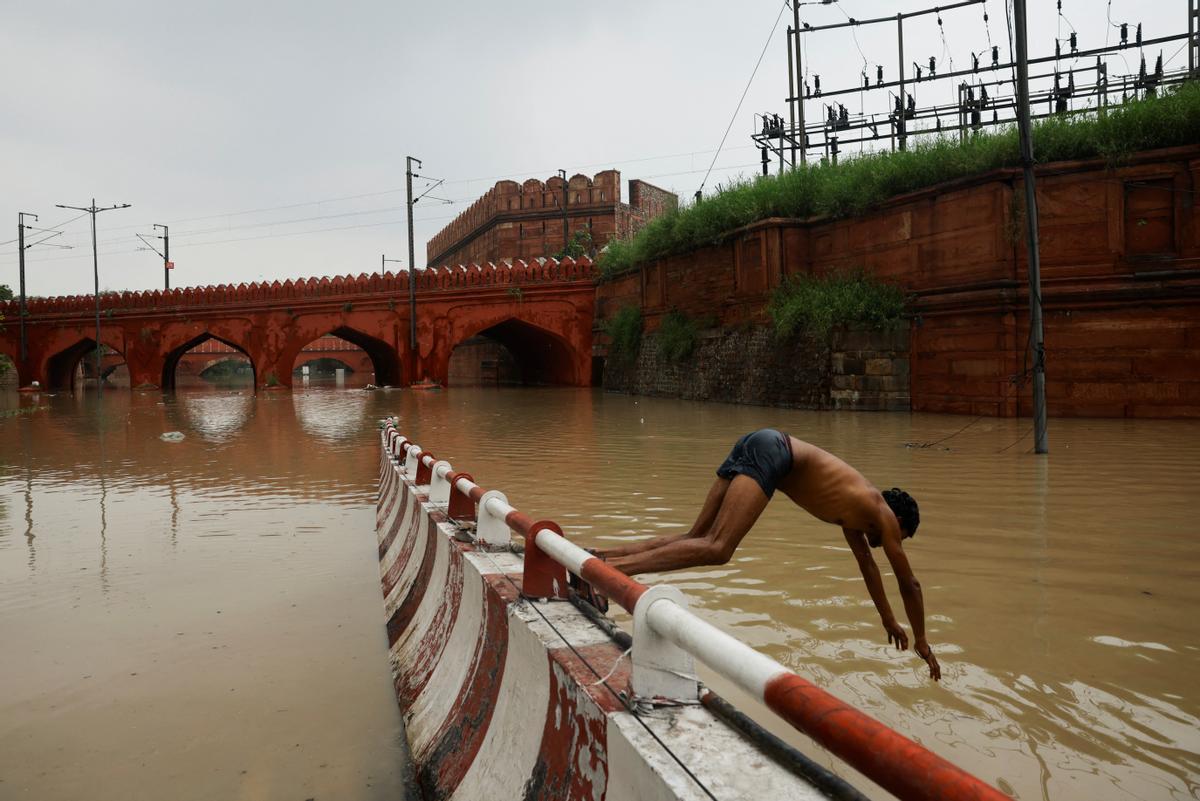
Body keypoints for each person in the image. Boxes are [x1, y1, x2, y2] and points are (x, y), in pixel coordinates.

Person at [595, 428, 941, 681]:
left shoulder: (855, 514)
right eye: (902, 537)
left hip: (760, 442)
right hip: (774, 452)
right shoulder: (882, 514)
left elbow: (868, 567)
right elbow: (909, 583)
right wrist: (922, 638)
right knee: (718, 549)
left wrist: (887, 620)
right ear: (899, 522)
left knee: (696, 537)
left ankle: (599, 558)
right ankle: (606, 576)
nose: (892, 544)